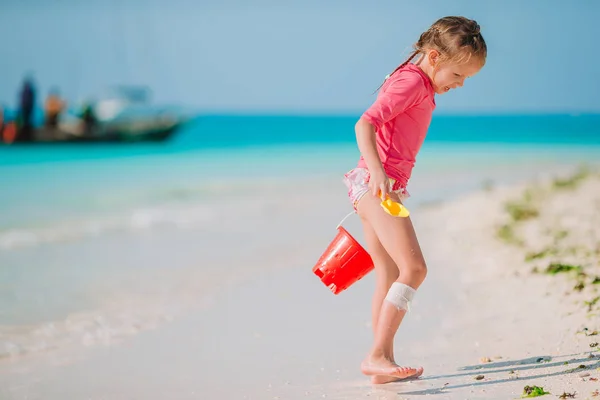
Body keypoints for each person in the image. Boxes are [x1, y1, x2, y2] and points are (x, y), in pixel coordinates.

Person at [342, 16, 487, 384]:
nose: (460, 84)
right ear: (436, 57)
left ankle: (382, 363)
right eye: (458, 75)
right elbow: (365, 124)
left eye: (467, 79)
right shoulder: (411, 82)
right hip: (377, 187)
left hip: (372, 186)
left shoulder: (419, 82)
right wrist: (378, 173)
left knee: (389, 273)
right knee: (414, 270)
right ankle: (377, 355)